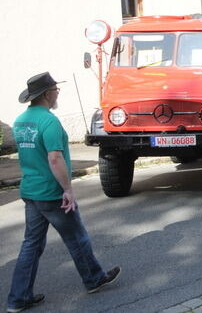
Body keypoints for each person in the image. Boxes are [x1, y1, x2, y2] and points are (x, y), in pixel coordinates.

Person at [8, 72, 121, 313]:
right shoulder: (49, 122)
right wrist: (67, 189)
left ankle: (18, 299)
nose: (58, 92)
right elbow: (55, 157)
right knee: (76, 237)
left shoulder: (20, 121)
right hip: (51, 192)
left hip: (30, 190)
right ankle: (93, 279)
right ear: (47, 94)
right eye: (55, 90)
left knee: (31, 245)